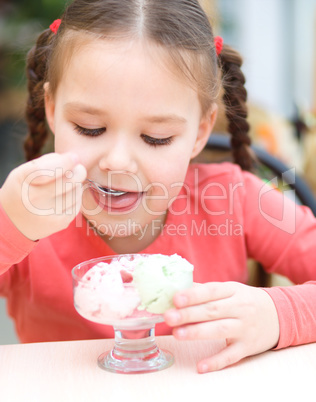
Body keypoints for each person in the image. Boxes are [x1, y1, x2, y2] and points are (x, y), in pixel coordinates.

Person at [0, 0, 316, 374]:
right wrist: (10, 226)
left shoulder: (236, 199)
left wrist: (281, 314)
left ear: (200, 131)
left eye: (156, 137)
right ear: (52, 108)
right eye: (90, 128)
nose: (117, 161)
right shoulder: (25, 214)